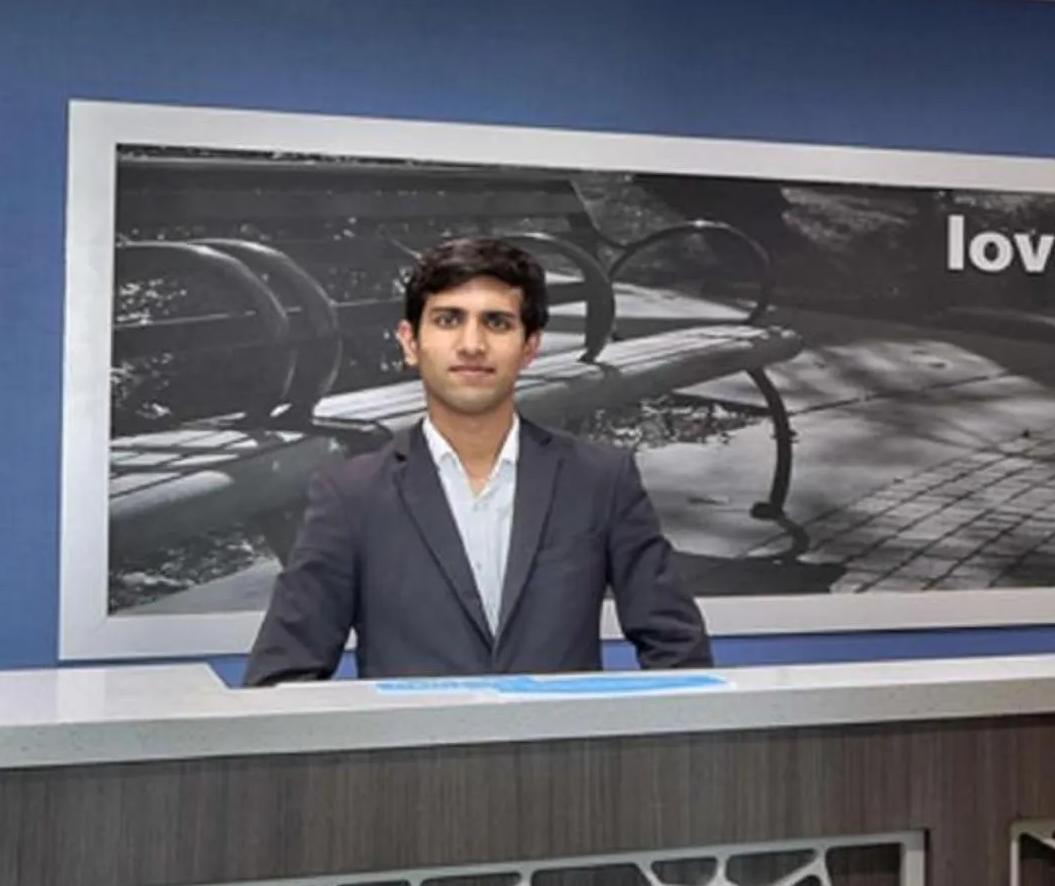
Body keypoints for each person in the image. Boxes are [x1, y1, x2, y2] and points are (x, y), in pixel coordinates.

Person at [245, 237, 712, 684]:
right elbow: (283, 676)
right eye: (448, 320)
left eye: (497, 322)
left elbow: (679, 652)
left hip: (565, 763)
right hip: (414, 765)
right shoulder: (350, 495)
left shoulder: (600, 479)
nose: (472, 344)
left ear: (530, 347)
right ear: (410, 342)